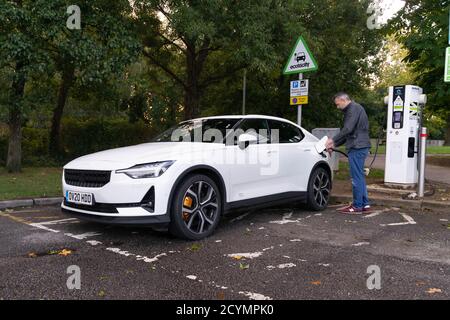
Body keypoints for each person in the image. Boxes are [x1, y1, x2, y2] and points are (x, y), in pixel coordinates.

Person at [326, 93, 371, 214]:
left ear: (343, 99)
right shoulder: (354, 109)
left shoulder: (353, 108)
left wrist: (332, 140)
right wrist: (334, 144)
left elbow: (347, 129)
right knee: (359, 176)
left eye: (338, 104)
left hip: (357, 146)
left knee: (356, 177)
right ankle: (365, 204)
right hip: (359, 145)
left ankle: (356, 206)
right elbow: (348, 133)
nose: (337, 107)